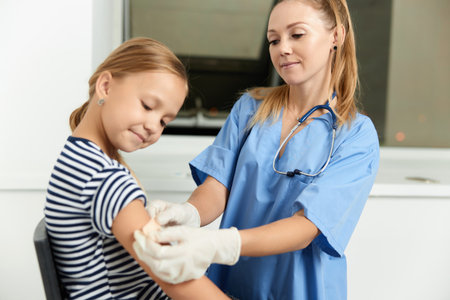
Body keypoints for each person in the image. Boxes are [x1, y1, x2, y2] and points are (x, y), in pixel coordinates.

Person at [134, 0, 380, 299]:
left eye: (297, 35)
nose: (283, 48)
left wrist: (218, 244)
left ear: (336, 36)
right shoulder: (251, 108)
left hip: (302, 289)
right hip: (233, 283)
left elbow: (307, 227)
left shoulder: (355, 135)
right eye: (273, 40)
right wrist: (188, 213)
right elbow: (217, 186)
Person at [44, 37, 231, 300]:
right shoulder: (104, 177)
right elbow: (170, 270)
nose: (154, 126)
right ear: (106, 86)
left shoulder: (79, 157)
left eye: (164, 121)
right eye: (147, 106)